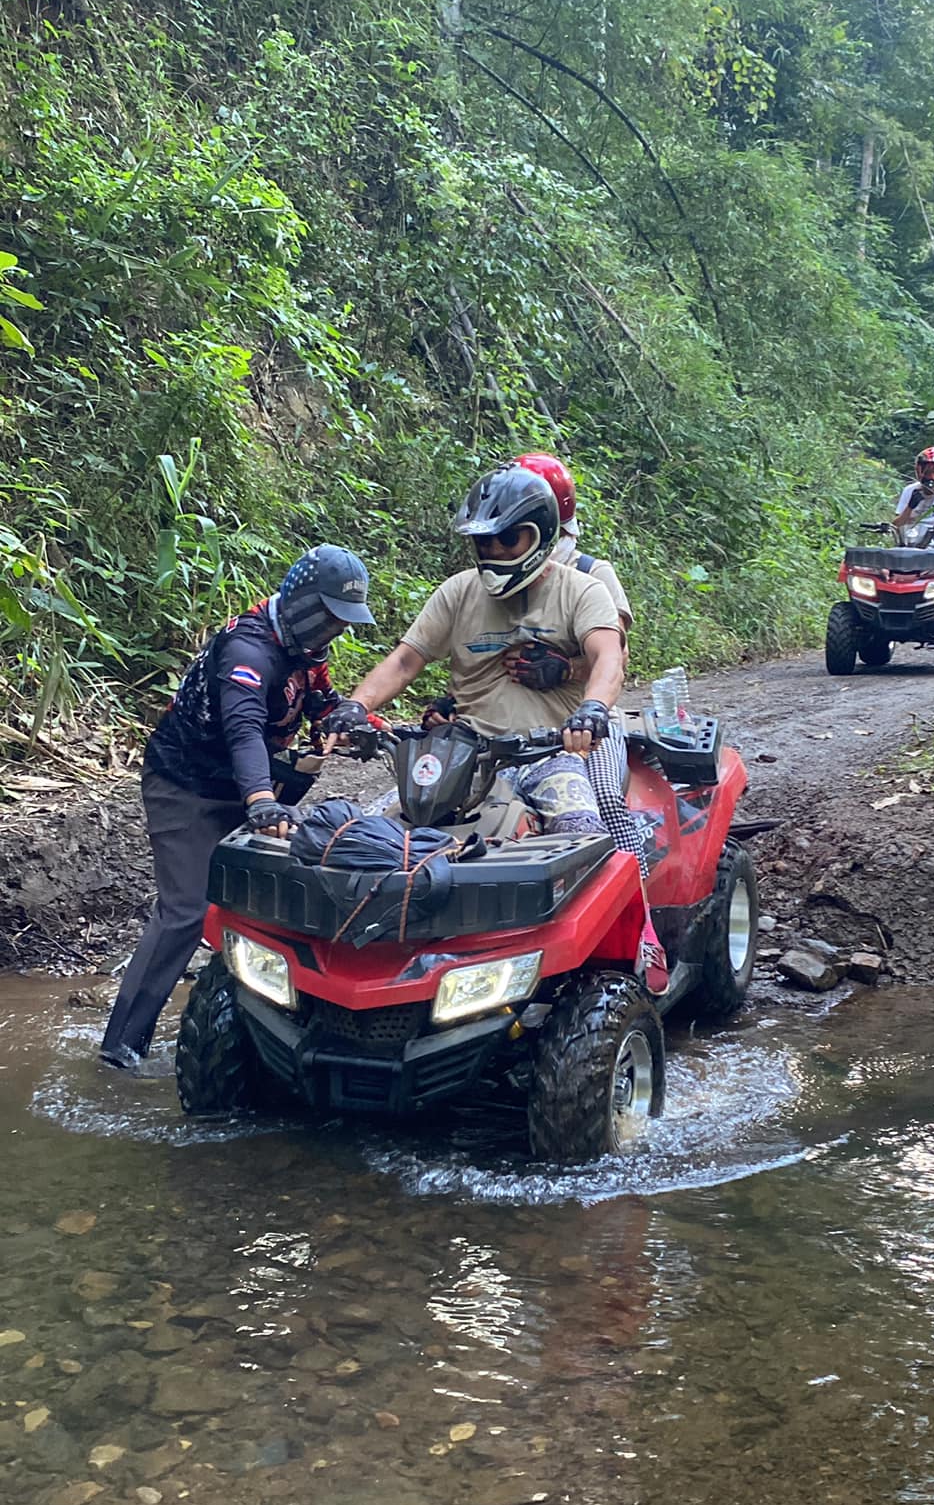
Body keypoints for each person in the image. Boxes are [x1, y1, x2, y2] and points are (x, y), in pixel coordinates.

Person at [100, 546, 376, 1069]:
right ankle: (121, 1047)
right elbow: (244, 729)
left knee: (274, 901)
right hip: (186, 786)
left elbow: (319, 700)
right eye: (324, 619)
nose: (330, 633)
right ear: (297, 604)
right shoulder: (248, 651)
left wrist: (348, 721)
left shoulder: (304, 653)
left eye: (339, 624)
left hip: (247, 783)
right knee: (185, 912)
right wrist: (262, 800)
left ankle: (263, 1041)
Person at [351, 466, 623, 839]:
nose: (494, 551)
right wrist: (356, 706)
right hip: (463, 756)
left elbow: (608, 656)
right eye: (484, 542)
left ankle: (635, 895)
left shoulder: (582, 590)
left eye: (508, 538)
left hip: (547, 755)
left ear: (540, 535)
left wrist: (592, 710)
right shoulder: (457, 591)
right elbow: (403, 661)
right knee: (374, 833)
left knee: (583, 835)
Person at [502, 452, 648, 875]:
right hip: (508, 726)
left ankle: (638, 920)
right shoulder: (499, 574)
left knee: (601, 799)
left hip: (582, 726)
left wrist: (565, 670)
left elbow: (615, 657)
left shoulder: (591, 575)